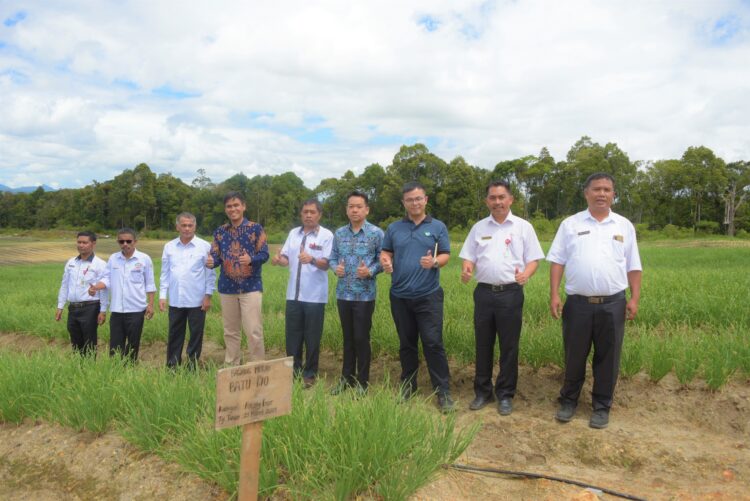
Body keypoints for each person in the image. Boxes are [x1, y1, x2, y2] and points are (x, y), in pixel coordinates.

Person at [547, 172, 642, 429]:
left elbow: (633, 265)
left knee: (608, 358)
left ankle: (601, 406)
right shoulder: (570, 224)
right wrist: (554, 294)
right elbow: (557, 261)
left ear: (613, 195)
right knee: (574, 355)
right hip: (577, 304)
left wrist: (634, 298)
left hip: (613, 304)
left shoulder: (623, 226)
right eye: (597, 189)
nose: (602, 194)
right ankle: (568, 401)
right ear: (586, 193)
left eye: (607, 190)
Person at [459, 181, 544, 415]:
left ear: (511, 199)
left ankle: (505, 394)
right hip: (484, 293)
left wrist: (526, 274)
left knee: (509, 346)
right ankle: (483, 392)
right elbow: (469, 256)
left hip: (510, 294)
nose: (497, 202)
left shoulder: (523, 227)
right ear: (487, 201)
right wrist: (467, 269)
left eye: (501, 197)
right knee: (483, 344)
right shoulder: (479, 228)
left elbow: (534, 258)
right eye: (493, 198)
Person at [380, 181, 454, 412]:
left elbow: (445, 255)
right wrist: (385, 261)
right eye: (409, 199)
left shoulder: (438, 226)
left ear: (425, 200)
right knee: (406, 343)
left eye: (418, 198)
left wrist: (434, 262)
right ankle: (408, 386)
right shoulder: (394, 228)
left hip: (428, 296)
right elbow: (386, 251)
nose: (414, 203)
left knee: (433, 342)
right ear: (404, 203)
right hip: (400, 295)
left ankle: (442, 391)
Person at [271, 199, 332, 388]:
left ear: (319, 215)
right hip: (293, 295)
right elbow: (286, 258)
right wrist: (279, 259)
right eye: (305, 212)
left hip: (315, 296)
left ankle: (310, 373)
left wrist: (312, 259)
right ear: (301, 214)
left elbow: (328, 263)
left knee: (312, 337)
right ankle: (293, 371)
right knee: (293, 336)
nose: (308, 215)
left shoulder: (326, 235)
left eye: (312, 212)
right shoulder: (293, 233)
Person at [328, 191, 384, 394]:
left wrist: (370, 271)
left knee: (361, 337)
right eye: (351, 206)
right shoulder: (339, 234)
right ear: (346, 209)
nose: (354, 210)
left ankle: (362, 381)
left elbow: (384, 260)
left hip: (365, 296)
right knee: (347, 338)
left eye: (359, 206)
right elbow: (332, 258)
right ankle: (346, 379)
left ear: (367, 209)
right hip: (343, 294)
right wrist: (336, 269)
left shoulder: (376, 233)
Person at [206, 191, 269, 366]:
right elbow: (216, 257)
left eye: (236, 205)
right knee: (230, 331)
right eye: (229, 206)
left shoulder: (256, 229)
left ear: (243, 206)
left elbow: (264, 254)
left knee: (253, 330)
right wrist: (211, 262)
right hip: (227, 288)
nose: (233, 209)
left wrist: (251, 259)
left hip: (251, 287)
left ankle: (257, 366)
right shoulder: (220, 232)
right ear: (225, 209)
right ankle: (232, 366)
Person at [89, 228, 156, 361]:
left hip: (136, 310)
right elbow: (106, 279)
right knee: (115, 345)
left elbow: (150, 283)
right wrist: (96, 287)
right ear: (118, 242)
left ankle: (130, 371)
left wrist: (151, 304)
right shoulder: (113, 259)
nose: (125, 244)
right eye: (121, 241)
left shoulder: (144, 259)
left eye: (128, 241)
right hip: (117, 310)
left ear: (135, 242)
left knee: (133, 344)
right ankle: (115, 371)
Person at [159, 212, 215, 369]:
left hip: (197, 300)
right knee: (175, 334)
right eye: (183, 225)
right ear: (177, 226)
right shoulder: (169, 247)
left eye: (190, 225)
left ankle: (192, 366)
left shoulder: (204, 246)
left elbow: (210, 274)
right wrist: (162, 296)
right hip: (176, 299)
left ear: (195, 226)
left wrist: (208, 296)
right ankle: (172, 366)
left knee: (196, 335)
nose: (187, 228)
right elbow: (165, 273)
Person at [56, 231, 108, 356]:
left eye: (85, 242)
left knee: (89, 343)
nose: (81, 245)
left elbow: (104, 288)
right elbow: (65, 285)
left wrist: (103, 310)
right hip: (73, 308)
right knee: (75, 342)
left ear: (93, 244)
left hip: (90, 307)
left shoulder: (100, 264)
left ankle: (89, 370)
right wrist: (60, 306)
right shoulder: (71, 263)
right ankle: (78, 369)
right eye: (79, 242)